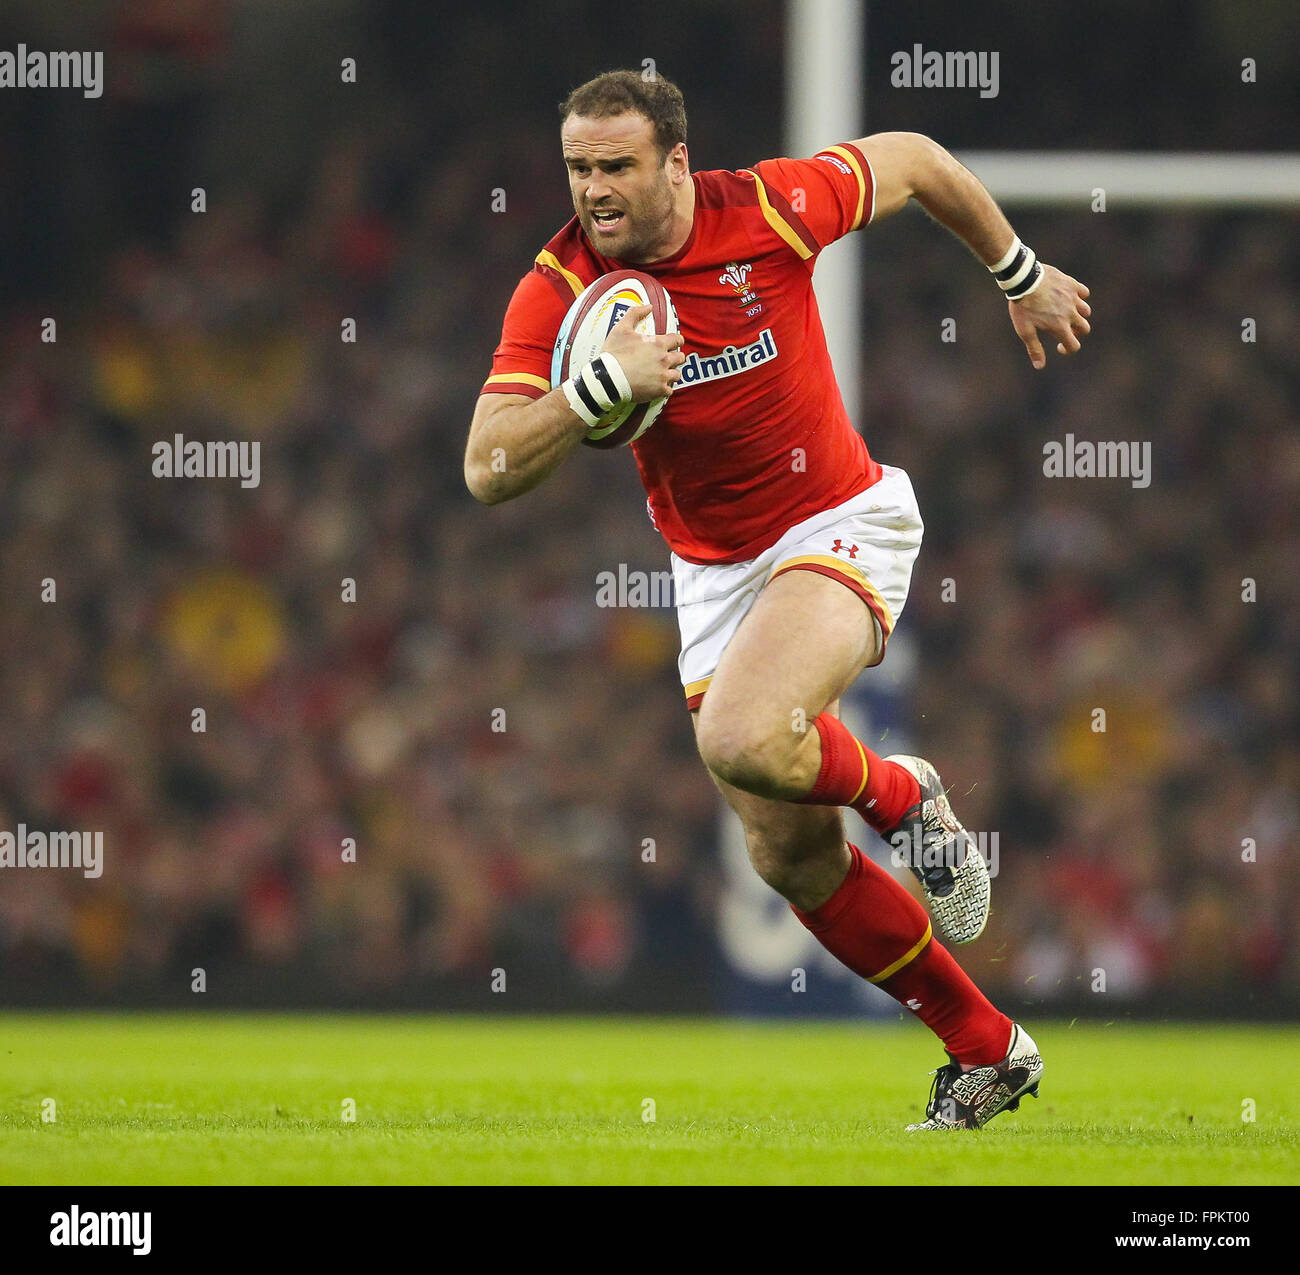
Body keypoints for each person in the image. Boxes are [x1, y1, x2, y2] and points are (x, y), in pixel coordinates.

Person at [465, 69, 1091, 1129]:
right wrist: (590, 394)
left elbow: (919, 162)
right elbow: (487, 465)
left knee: (747, 737)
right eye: (578, 169)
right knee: (791, 856)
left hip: (837, 521)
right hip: (711, 573)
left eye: (617, 166)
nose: (595, 191)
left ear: (675, 162)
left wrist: (1016, 271)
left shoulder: (763, 207)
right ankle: (989, 1051)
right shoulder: (560, 287)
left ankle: (903, 796)